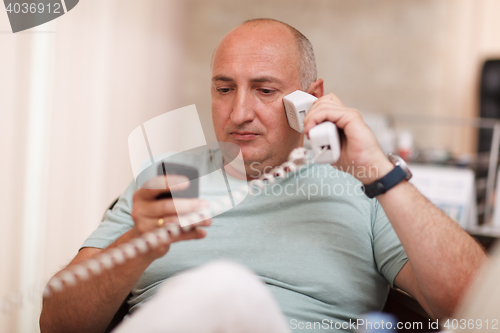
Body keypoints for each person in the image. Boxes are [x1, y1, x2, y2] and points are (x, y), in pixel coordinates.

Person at [40, 18, 487, 332]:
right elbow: (55, 324)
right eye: (224, 89)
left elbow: (478, 310)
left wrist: (380, 171)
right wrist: (135, 246)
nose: (238, 113)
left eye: (265, 90)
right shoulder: (170, 175)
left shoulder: (363, 183)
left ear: (310, 99)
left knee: (225, 287)